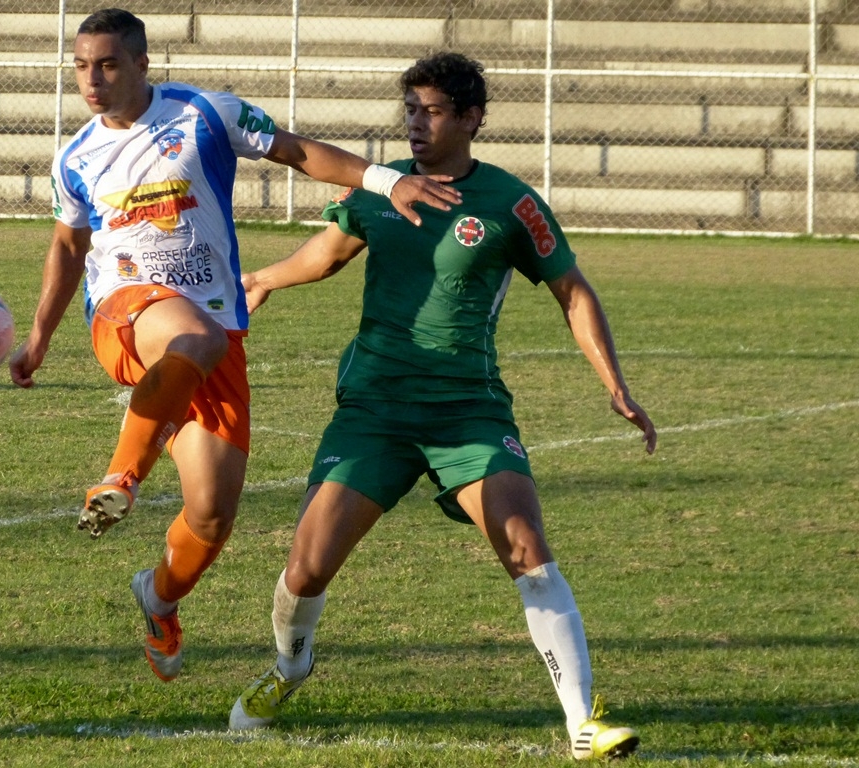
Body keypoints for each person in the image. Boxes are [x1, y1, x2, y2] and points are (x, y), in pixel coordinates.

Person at [8, 8, 460, 684]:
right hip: (126, 312)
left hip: (213, 336)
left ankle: (158, 599)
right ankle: (121, 475)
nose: (91, 80)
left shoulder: (205, 114)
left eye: (105, 64)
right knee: (191, 335)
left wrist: (384, 180)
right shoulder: (75, 156)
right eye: (80, 66)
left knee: (212, 516)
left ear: (140, 65)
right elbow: (69, 246)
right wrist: (39, 336)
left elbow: (297, 150)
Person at [227, 52, 657, 760]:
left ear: (471, 118)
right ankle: (290, 665)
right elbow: (329, 253)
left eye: (430, 111)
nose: (415, 124)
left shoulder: (511, 204)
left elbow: (572, 290)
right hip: (374, 410)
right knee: (305, 568)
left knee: (528, 551)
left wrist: (614, 383)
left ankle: (584, 722)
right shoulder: (381, 188)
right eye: (410, 111)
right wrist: (266, 278)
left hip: (468, 411)